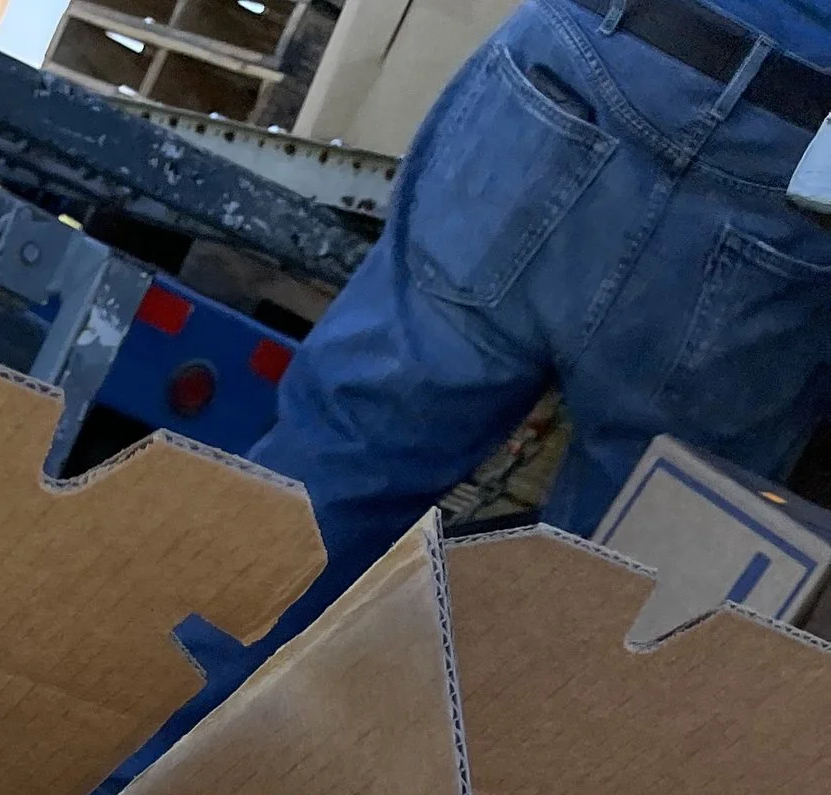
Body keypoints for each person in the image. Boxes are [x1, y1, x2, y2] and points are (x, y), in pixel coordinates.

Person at [255, 0, 831, 583]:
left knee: (336, 469)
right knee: (622, 585)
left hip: (584, 59)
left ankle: (187, 661)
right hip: (793, 166)